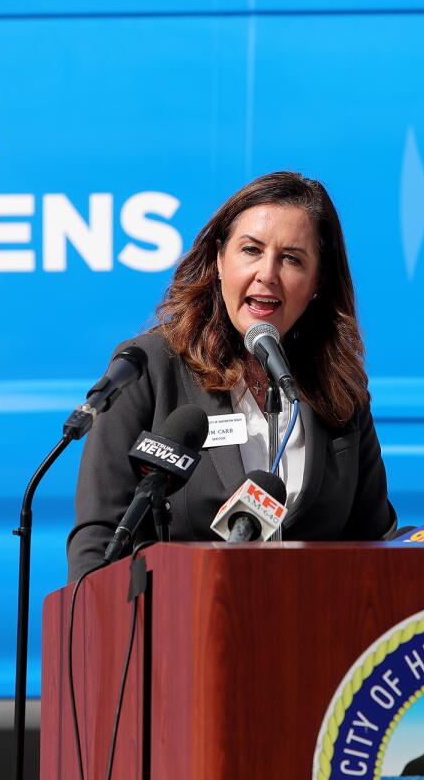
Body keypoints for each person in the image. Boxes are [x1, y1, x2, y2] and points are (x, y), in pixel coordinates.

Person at [66, 171, 396, 581]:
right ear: (220, 260)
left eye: (292, 258)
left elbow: (375, 542)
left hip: (314, 632)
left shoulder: (340, 389)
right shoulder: (150, 367)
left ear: (316, 282)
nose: (267, 273)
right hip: (182, 632)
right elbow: (99, 540)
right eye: (251, 250)